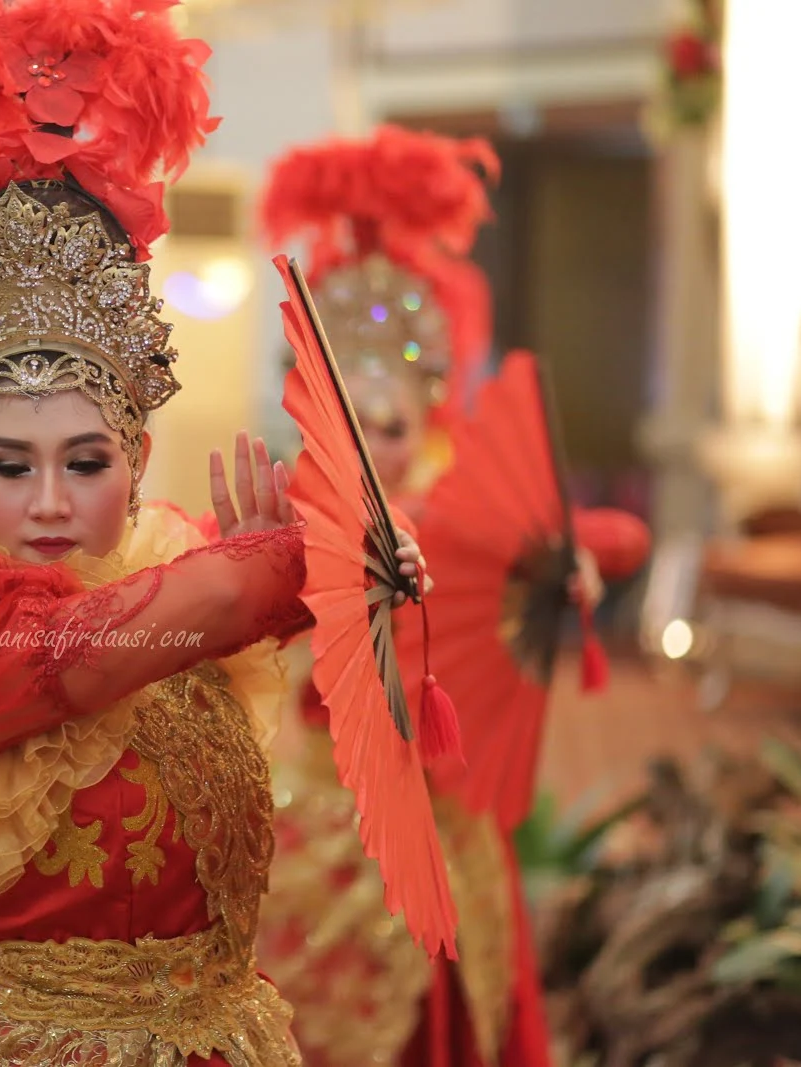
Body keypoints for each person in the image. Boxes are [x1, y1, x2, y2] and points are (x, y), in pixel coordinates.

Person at [0, 5, 448, 1066]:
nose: (47, 504)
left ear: (136, 459)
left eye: (85, 462)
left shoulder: (174, 578)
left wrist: (353, 584)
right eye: (9, 466)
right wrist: (284, 568)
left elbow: (188, 623)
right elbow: (106, 648)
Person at [254, 127, 648, 1067]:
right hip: (310, 811)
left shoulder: (449, 508)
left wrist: (565, 563)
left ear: (424, 414)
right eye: (352, 414)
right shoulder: (285, 510)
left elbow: (613, 535)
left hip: (440, 811)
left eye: (392, 421)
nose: (376, 442)